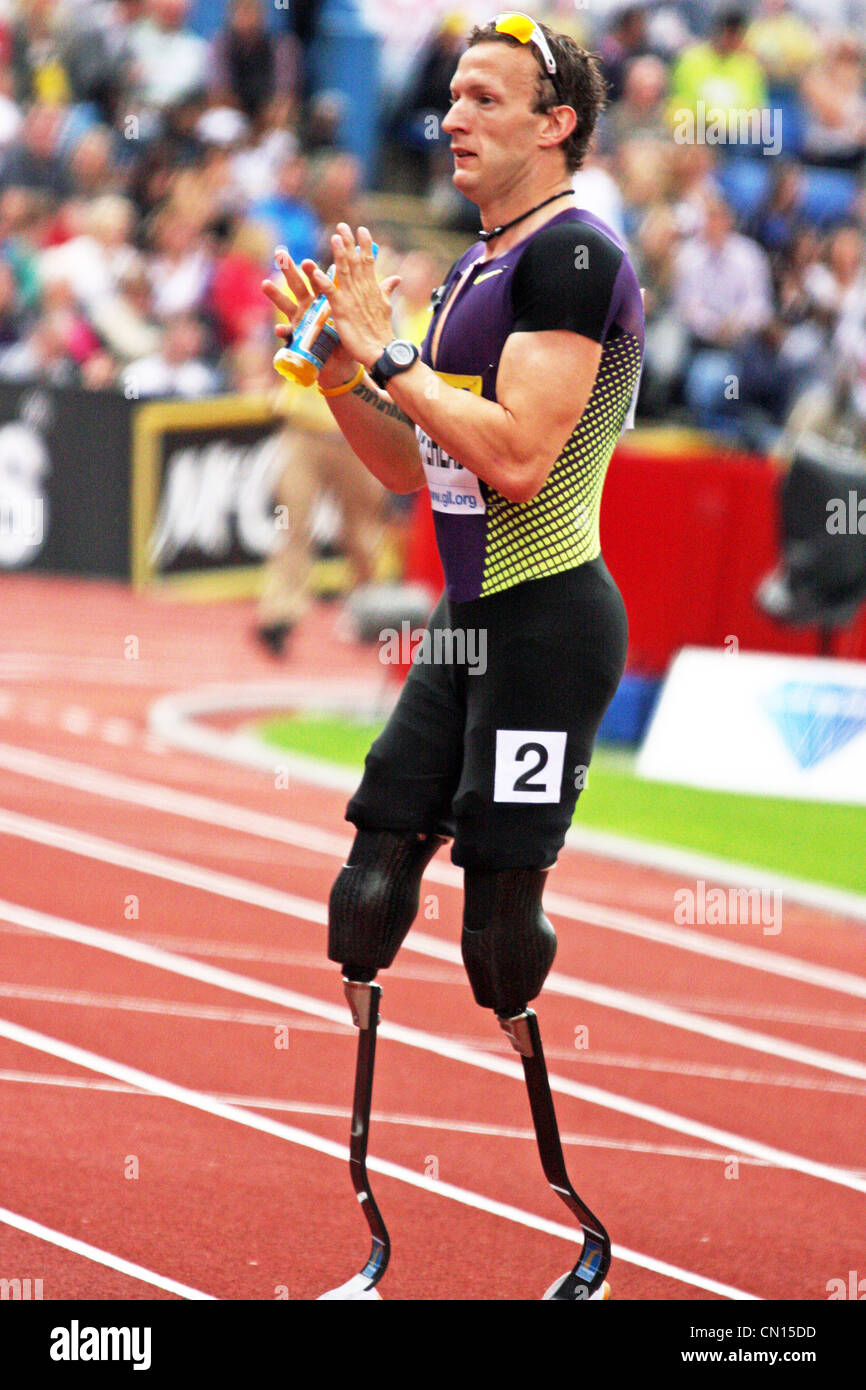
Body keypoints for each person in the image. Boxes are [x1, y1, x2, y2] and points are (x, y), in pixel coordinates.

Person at [262, 12, 644, 1301]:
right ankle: (374, 1238)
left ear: (559, 127)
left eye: (487, 97)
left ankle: (576, 1224)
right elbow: (417, 469)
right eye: (451, 95)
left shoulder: (576, 259)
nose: (454, 116)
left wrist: (389, 354)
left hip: (547, 626)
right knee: (366, 898)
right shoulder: (478, 269)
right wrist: (339, 376)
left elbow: (521, 455)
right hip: (468, 623)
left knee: (496, 937)